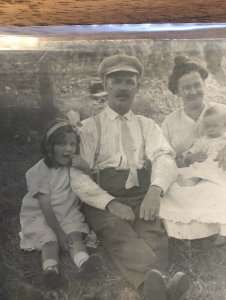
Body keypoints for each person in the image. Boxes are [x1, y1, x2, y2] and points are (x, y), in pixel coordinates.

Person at [70, 54, 189, 300]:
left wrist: (155, 191)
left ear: (137, 87)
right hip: (103, 197)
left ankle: (155, 288)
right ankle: (156, 286)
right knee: (118, 231)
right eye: (117, 81)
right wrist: (110, 204)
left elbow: (164, 156)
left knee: (151, 230)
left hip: (141, 193)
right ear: (105, 86)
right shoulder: (90, 127)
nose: (123, 88)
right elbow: (77, 176)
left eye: (129, 82)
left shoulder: (146, 125)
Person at [160, 56, 226, 241]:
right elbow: (165, 157)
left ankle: (223, 227)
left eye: (197, 85)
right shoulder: (170, 122)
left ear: (204, 84)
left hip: (221, 173)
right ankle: (200, 229)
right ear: (177, 91)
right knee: (171, 193)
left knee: (216, 191)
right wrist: (186, 159)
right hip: (190, 174)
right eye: (186, 88)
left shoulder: (221, 111)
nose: (193, 91)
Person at [19, 118, 101, 289]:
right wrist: (58, 232)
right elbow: (44, 205)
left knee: (74, 236)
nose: (69, 149)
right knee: (50, 241)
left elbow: (91, 187)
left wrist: (87, 169)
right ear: (50, 147)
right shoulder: (39, 171)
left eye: (72, 144)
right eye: (62, 144)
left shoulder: (74, 167)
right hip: (41, 214)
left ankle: (84, 264)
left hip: (67, 211)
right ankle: (50, 270)